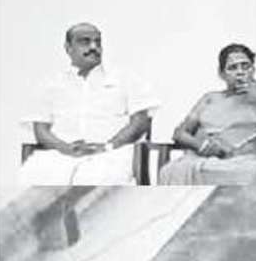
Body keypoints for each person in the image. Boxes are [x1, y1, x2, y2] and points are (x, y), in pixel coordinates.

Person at [20, 22, 156, 186]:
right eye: (85, 41)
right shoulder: (51, 84)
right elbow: (41, 130)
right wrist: (65, 148)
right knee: (34, 173)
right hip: (61, 154)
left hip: (112, 153)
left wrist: (108, 146)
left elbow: (140, 122)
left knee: (95, 177)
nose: (93, 47)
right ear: (68, 48)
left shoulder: (125, 79)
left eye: (97, 42)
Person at [158, 43, 256, 185]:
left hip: (244, 164)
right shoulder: (210, 99)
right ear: (222, 74)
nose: (240, 72)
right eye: (232, 68)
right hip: (202, 160)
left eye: (245, 66)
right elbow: (180, 133)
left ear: (253, 69)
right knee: (169, 170)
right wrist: (200, 145)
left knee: (250, 174)